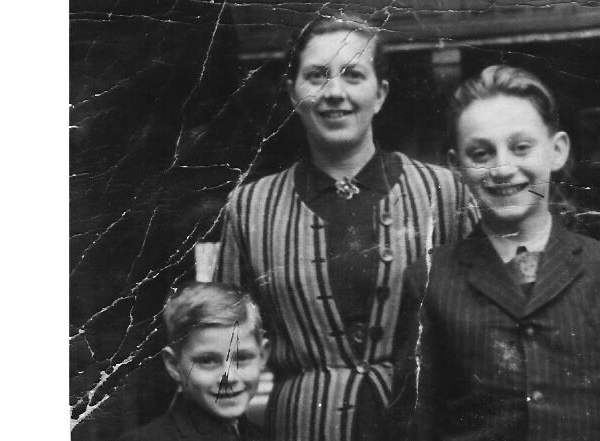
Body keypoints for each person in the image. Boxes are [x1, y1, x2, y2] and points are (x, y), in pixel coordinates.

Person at [215, 13, 475, 441]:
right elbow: (224, 348)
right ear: (293, 92)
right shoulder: (250, 207)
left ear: (380, 93)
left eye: (353, 75)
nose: (334, 92)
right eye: (316, 76)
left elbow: (488, 325)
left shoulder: (444, 193)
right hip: (300, 429)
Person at [404, 64, 600, 441]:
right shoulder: (432, 279)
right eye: (482, 153)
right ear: (456, 166)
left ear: (557, 151)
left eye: (521, 147)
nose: (503, 168)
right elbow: (420, 425)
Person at [119, 282, 269, 441]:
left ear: (262, 355)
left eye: (242, 358)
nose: (228, 377)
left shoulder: (262, 436)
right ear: (174, 365)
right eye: (208, 361)